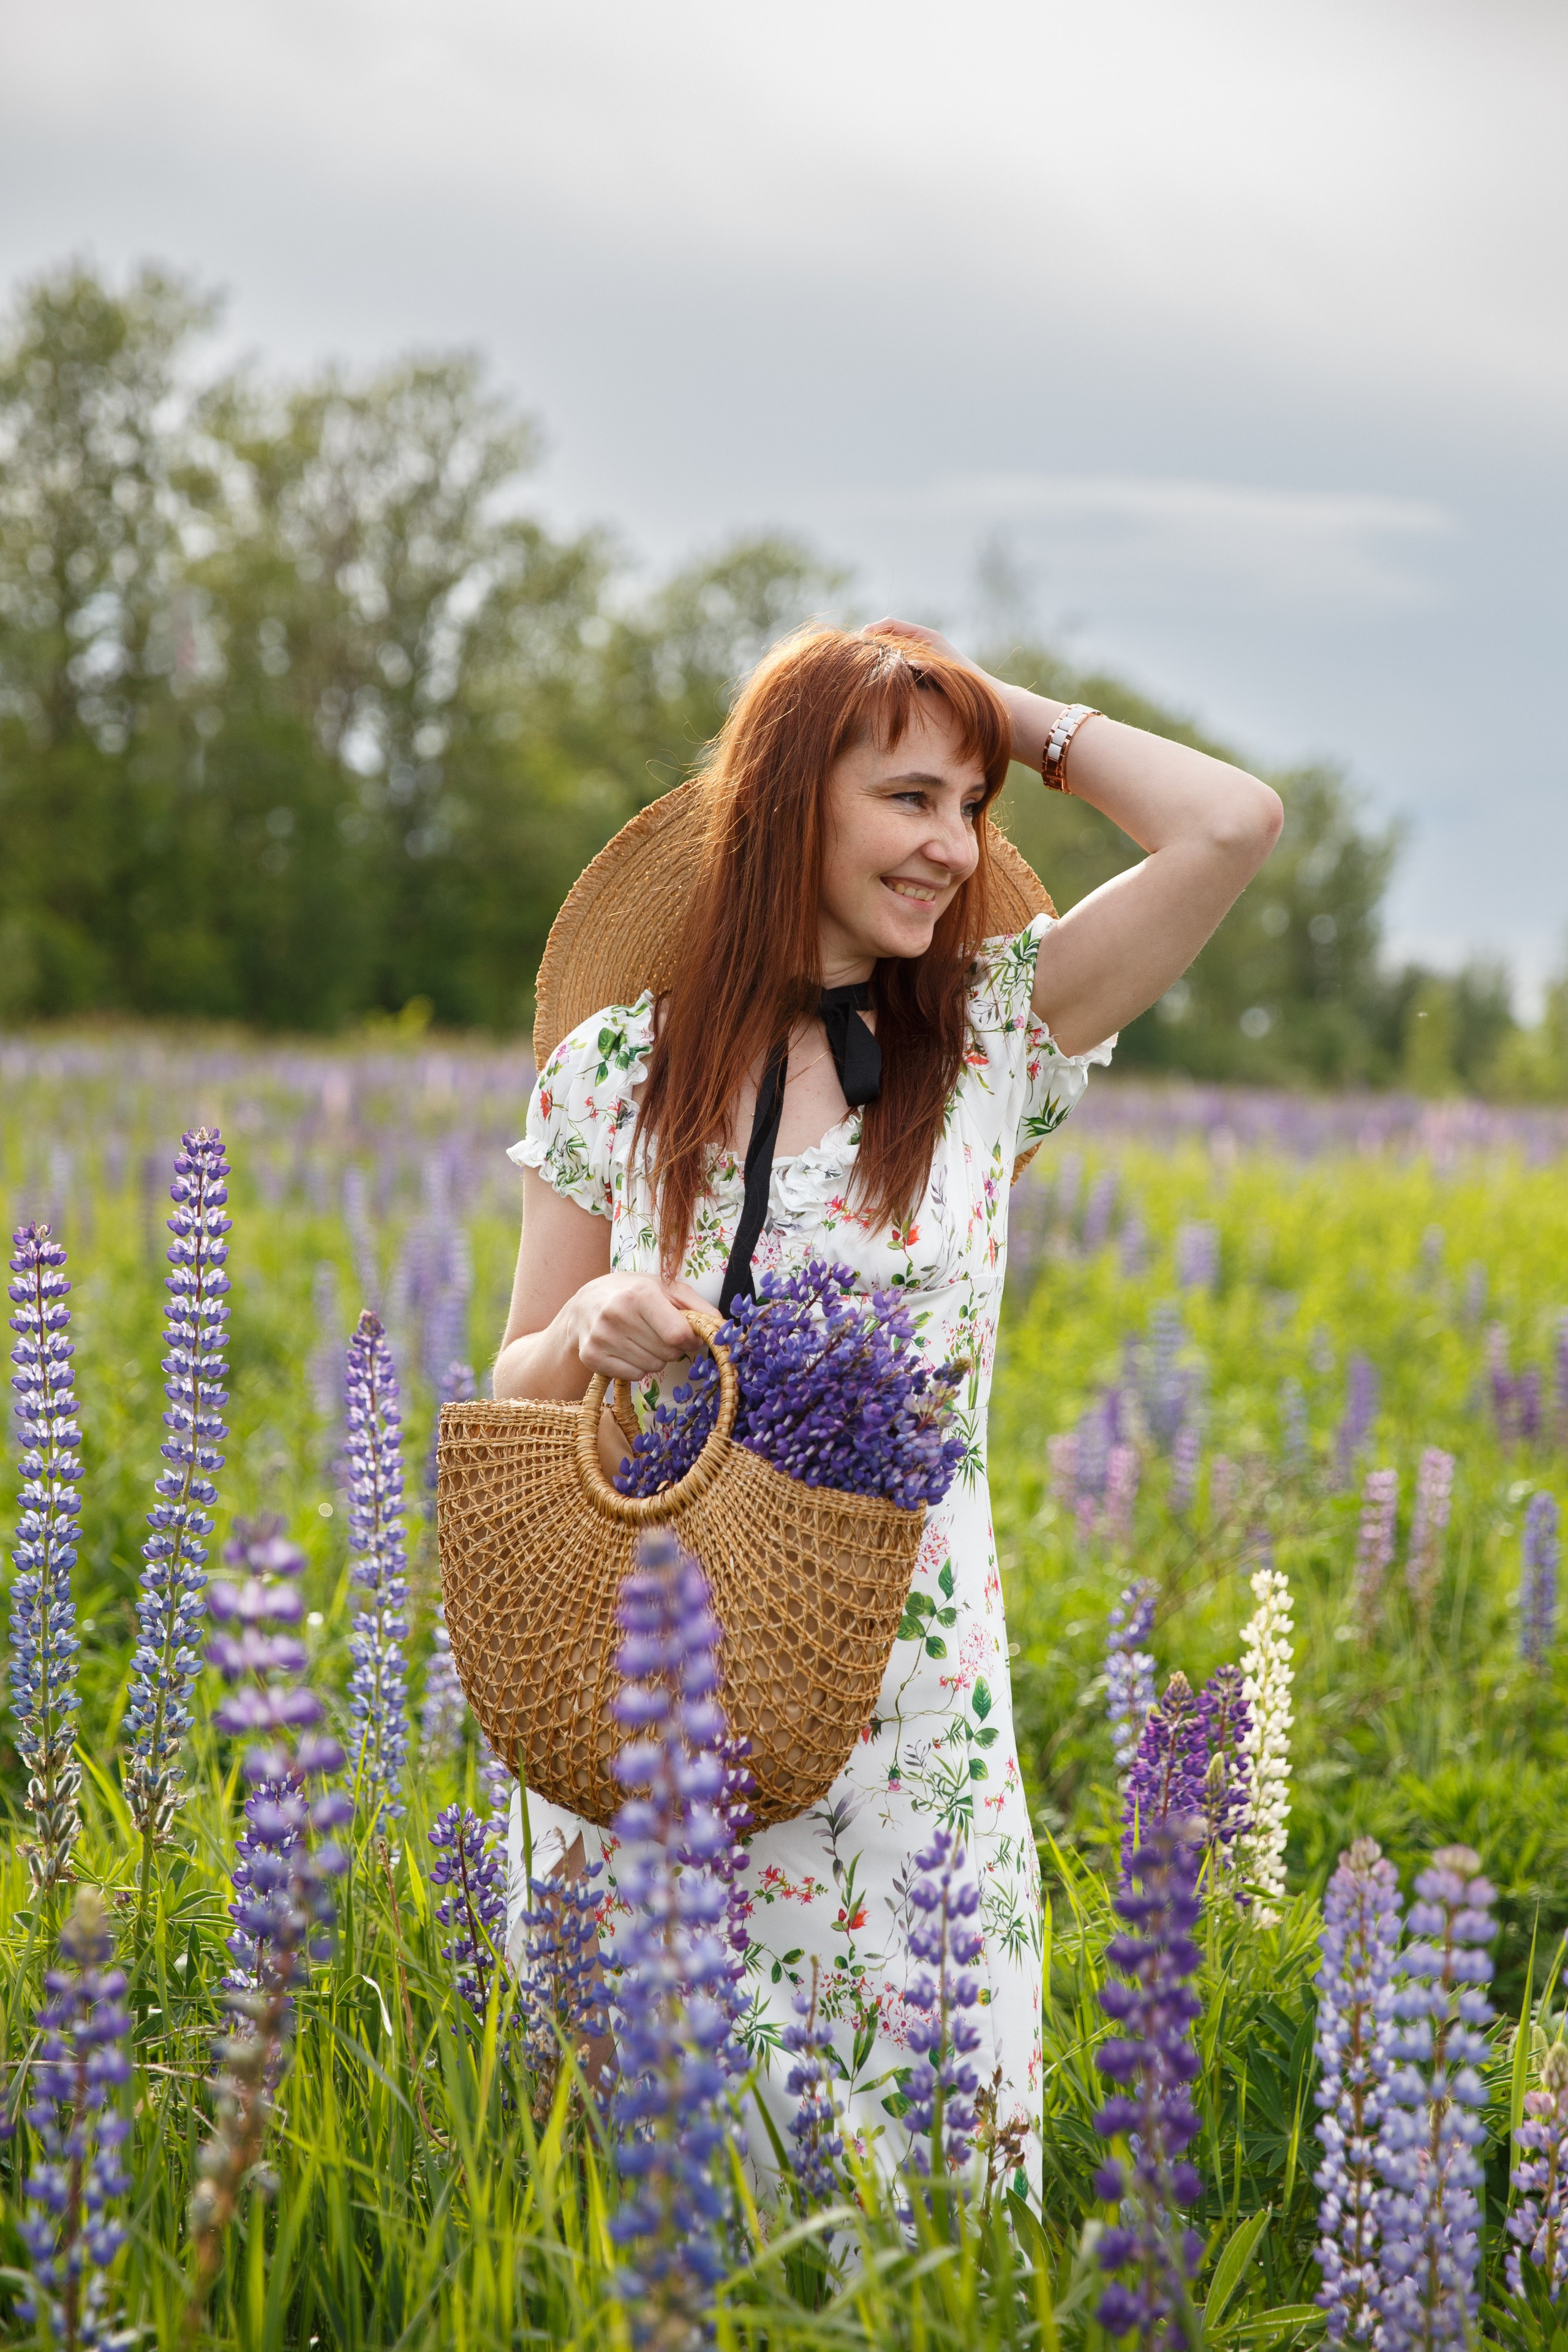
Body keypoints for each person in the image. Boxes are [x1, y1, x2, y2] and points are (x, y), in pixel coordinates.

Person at [493, 619, 1281, 2190]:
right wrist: (589, 1324)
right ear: (791, 804)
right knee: (638, 2207)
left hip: (901, 1728)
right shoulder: (612, 1068)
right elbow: (511, 1387)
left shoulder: (990, 1031)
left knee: (917, 2190)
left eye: (969, 809)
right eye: (908, 798)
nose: (950, 846)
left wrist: (1011, 714)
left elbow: (1229, 822)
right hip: (644, 1708)